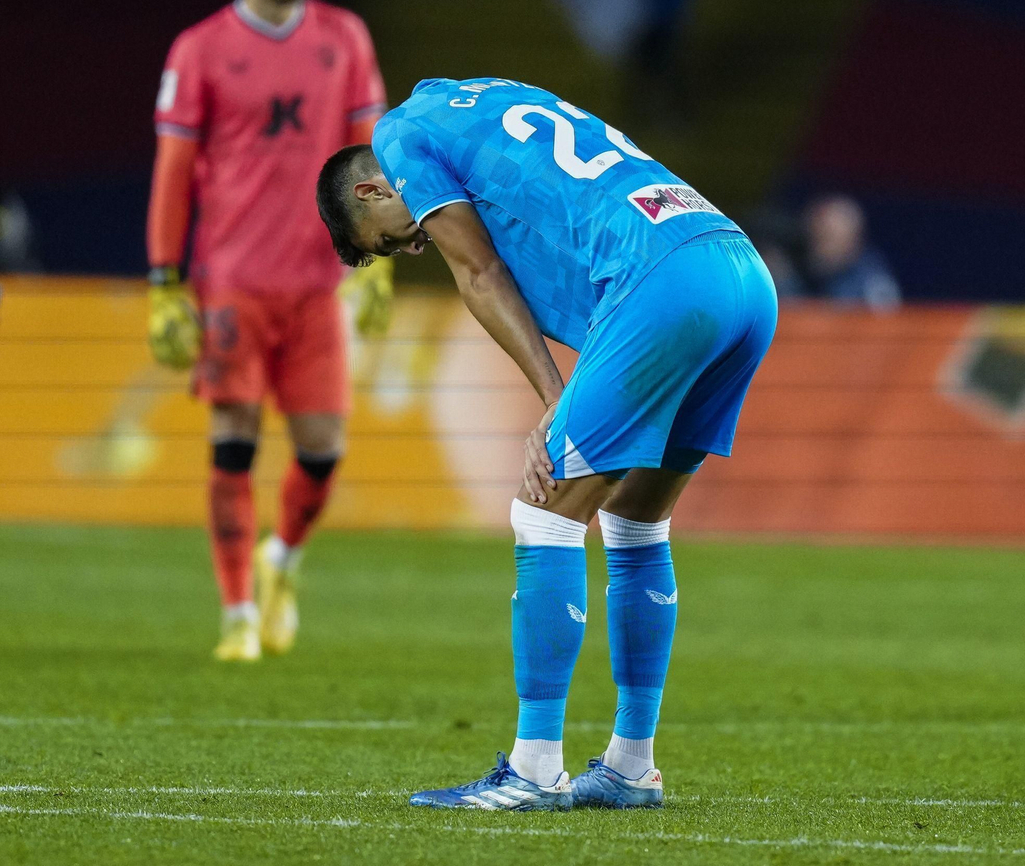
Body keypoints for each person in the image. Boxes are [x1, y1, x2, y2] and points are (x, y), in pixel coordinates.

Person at [316, 77, 777, 809]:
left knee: (544, 513)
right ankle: (630, 766)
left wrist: (553, 398)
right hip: (739, 269)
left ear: (373, 189)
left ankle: (533, 769)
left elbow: (480, 272)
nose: (416, 243)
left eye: (395, 238)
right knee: (635, 521)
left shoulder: (399, 136)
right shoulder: (477, 98)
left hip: (662, 280)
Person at [146, 0, 390, 662]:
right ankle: (238, 613)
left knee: (323, 451)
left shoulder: (344, 38)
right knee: (233, 443)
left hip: (317, 282)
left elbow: (369, 157)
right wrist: (164, 279)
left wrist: (376, 263)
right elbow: (174, 169)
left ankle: (280, 557)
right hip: (233, 282)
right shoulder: (200, 49)